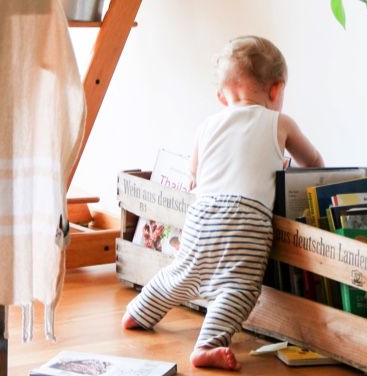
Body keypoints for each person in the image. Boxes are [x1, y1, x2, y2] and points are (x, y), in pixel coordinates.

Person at [121, 35, 324, 370]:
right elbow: (313, 164)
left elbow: (194, 177)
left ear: (222, 96)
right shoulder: (280, 122)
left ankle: (138, 313)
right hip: (247, 219)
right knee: (239, 287)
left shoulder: (206, 126)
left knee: (183, 273)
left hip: (202, 214)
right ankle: (208, 344)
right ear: (276, 90)